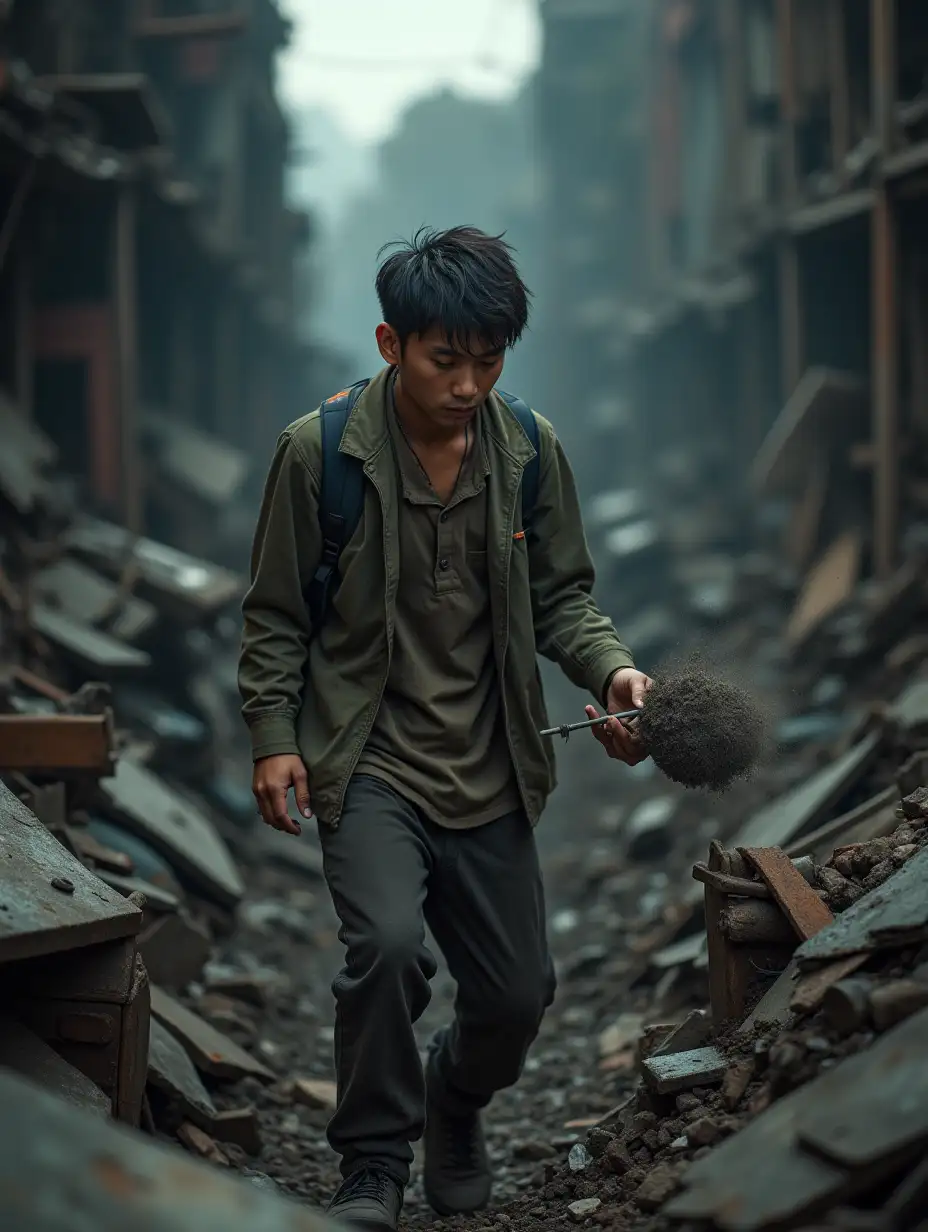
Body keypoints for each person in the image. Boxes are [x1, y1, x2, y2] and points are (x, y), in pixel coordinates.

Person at [238, 225, 651, 1230]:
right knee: (384, 947)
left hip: (492, 764)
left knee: (516, 996)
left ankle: (453, 1098)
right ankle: (372, 1164)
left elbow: (564, 600)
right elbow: (275, 613)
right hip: (369, 757)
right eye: (444, 360)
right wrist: (272, 733)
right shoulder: (318, 453)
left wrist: (616, 670)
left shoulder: (528, 451)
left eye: (488, 359)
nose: (467, 384)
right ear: (391, 343)